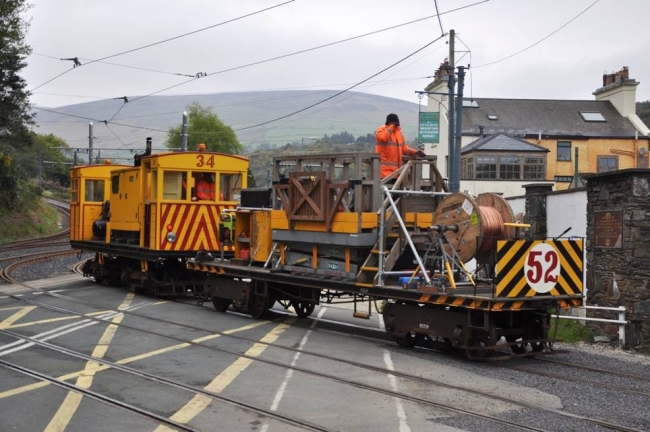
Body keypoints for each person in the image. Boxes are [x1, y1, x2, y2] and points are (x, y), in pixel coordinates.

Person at [375, 113, 426, 178]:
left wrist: (415, 152)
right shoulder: (381, 129)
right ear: (389, 122)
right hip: (383, 171)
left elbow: (404, 149)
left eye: (397, 124)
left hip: (396, 172)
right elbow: (383, 138)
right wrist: (391, 127)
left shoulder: (398, 133)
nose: (396, 125)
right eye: (395, 123)